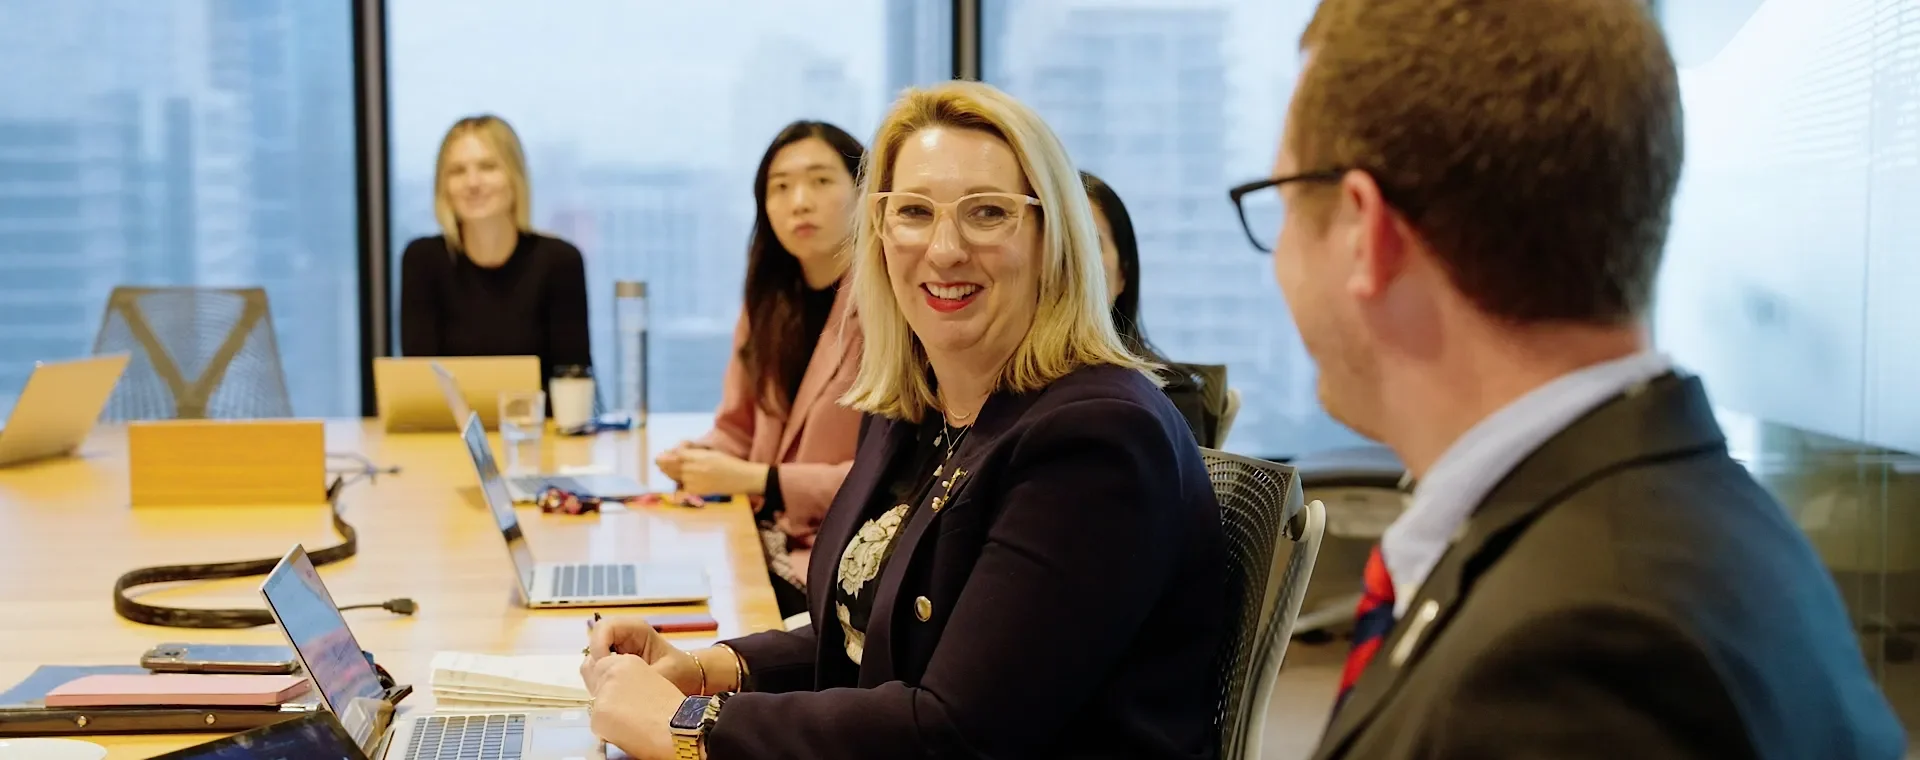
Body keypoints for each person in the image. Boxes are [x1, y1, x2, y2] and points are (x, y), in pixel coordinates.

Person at [1238, 1, 1907, 758]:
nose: (1279, 254)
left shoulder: (1566, 662)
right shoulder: (1685, 518)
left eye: (1285, 203)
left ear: (1365, 231)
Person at [582, 81, 1227, 760]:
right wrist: (712, 668)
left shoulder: (1095, 440)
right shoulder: (916, 410)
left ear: (1050, 239)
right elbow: (875, 633)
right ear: (880, 235)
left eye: (987, 213)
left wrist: (689, 728)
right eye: (914, 211)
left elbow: (955, 733)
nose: (944, 250)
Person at [654, 121, 868, 616]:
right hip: (756, 538)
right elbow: (738, 428)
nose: (799, 201)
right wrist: (698, 456)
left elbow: (881, 480)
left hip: (829, 553)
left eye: (820, 181)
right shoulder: (768, 300)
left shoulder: (890, 309)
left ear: (863, 193)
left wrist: (757, 480)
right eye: (781, 186)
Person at [399, 114, 591, 383]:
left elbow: (574, 383)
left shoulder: (560, 262)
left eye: (488, 167)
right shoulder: (423, 261)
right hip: (449, 427)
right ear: (444, 187)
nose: (473, 183)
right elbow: (421, 385)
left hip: (537, 426)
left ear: (515, 177)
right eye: (457, 171)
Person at [1082, 170, 1221, 446]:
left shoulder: (1167, 396)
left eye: (1087, 243)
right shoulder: (993, 393)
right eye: (1058, 244)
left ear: (1123, 275)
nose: (1071, 264)